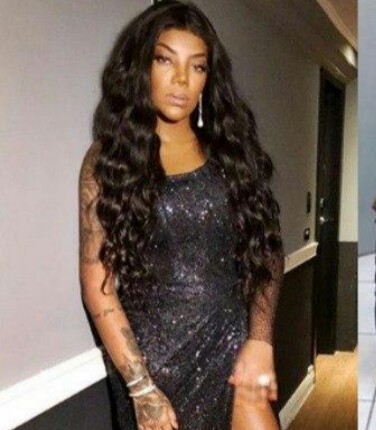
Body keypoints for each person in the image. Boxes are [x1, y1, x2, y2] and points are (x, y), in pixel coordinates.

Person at [79, 1, 283, 429]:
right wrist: (141, 389)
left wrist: (261, 340)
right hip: (152, 366)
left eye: (197, 66)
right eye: (165, 60)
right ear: (141, 66)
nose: (181, 80)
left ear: (209, 77)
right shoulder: (109, 160)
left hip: (233, 350)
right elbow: (97, 282)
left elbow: (266, 248)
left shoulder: (231, 153)